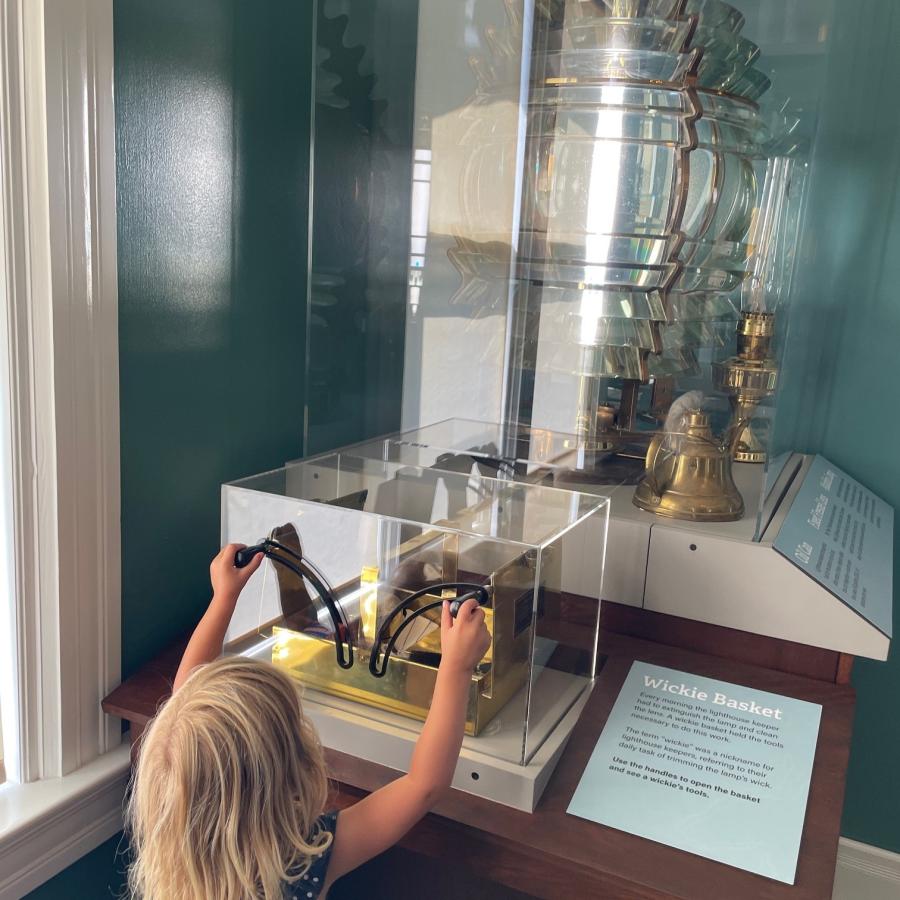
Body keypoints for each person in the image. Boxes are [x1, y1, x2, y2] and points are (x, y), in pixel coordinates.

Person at [126, 543, 492, 900]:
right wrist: (457, 667)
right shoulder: (300, 865)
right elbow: (423, 785)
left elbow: (186, 703)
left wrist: (223, 598)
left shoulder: (169, 849)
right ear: (289, 775)